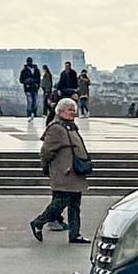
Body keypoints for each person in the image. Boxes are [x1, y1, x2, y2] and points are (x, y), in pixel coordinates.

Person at [31, 97, 91, 244]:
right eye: (69, 110)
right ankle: (39, 222)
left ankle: (75, 234)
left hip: (74, 172)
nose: (72, 113)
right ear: (61, 111)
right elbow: (46, 151)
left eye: (73, 110)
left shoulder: (70, 126)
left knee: (75, 204)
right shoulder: (56, 128)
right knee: (59, 202)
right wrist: (48, 168)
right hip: (63, 172)